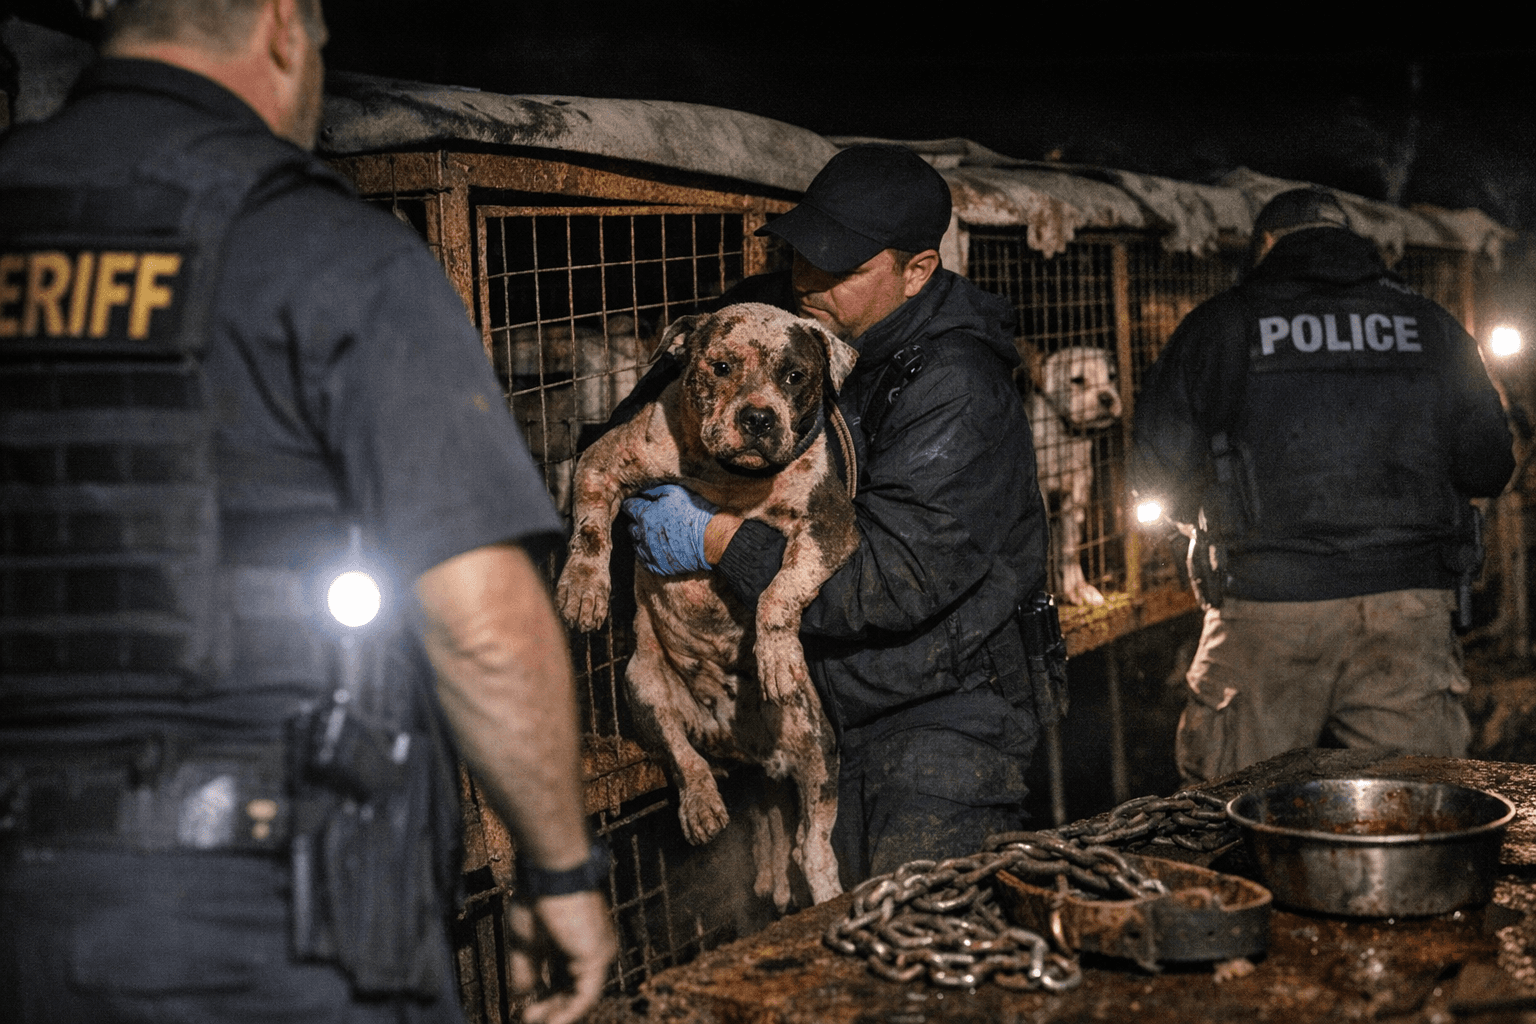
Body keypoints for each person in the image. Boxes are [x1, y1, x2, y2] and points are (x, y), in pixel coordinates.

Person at [0, 2, 615, 1022]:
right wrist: (559, 874)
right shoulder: (331, 253)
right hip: (260, 927)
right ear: (284, 28)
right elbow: (483, 627)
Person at [621, 144, 1053, 884]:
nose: (807, 283)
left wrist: (715, 537)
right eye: (802, 257)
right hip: (809, 706)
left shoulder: (957, 390)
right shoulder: (784, 319)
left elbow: (883, 583)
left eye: (841, 268)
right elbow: (636, 426)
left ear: (917, 271)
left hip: (934, 722)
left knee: (915, 946)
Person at [1132, 187, 1515, 786]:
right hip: (1409, 611)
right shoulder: (1431, 326)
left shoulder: (1222, 324)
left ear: (1265, 244)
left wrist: (1203, 513)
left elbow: (1156, 471)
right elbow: (1489, 466)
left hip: (1265, 608)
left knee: (1234, 813)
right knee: (1417, 814)